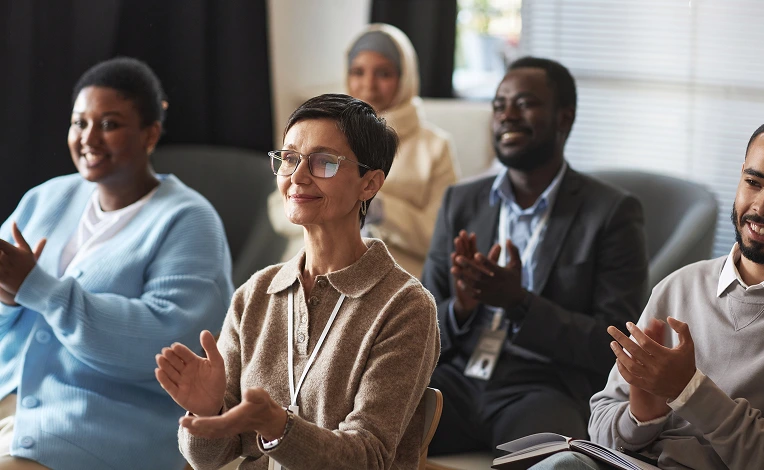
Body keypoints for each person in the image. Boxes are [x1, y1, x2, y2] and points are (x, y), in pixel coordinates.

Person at [156, 94, 440, 470]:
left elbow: (368, 457)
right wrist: (206, 412)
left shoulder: (404, 306)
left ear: (369, 184)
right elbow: (208, 459)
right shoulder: (256, 293)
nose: (297, 177)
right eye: (289, 158)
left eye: (323, 162)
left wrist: (278, 427)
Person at [0, 57, 233, 470]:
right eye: (79, 123)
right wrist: (9, 300)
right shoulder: (47, 198)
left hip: (103, 426)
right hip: (14, 405)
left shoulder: (189, 220)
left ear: (150, 134)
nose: (89, 138)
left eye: (108, 124)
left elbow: (168, 347)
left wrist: (38, 289)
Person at [422, 57, 649, 456]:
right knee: (365, 431)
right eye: (498, 105)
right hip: (454, 381)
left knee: (557, 464)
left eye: (524, 103)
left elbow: (614, 347)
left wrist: (519, 303)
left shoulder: (611, 213)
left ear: (565, 117)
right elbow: (419, 326)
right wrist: (460, 307)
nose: (507, 115)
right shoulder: (461, 201)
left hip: (541, 388)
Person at [532, 120, 764, 470]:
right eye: (753, 182)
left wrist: (689, 390)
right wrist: (642, 415)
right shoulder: (679, 286)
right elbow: (600, 426)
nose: (761, 207)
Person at [267, 23, 459, 277]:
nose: (369, 84)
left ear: (405, 78)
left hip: (395, 273)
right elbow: (279, 209)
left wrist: (380, 208)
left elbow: (443, 233)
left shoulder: (434, 146)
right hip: (309, 265)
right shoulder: (318, 134)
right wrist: (330, 209)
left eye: (383, 74)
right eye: (358, 72)